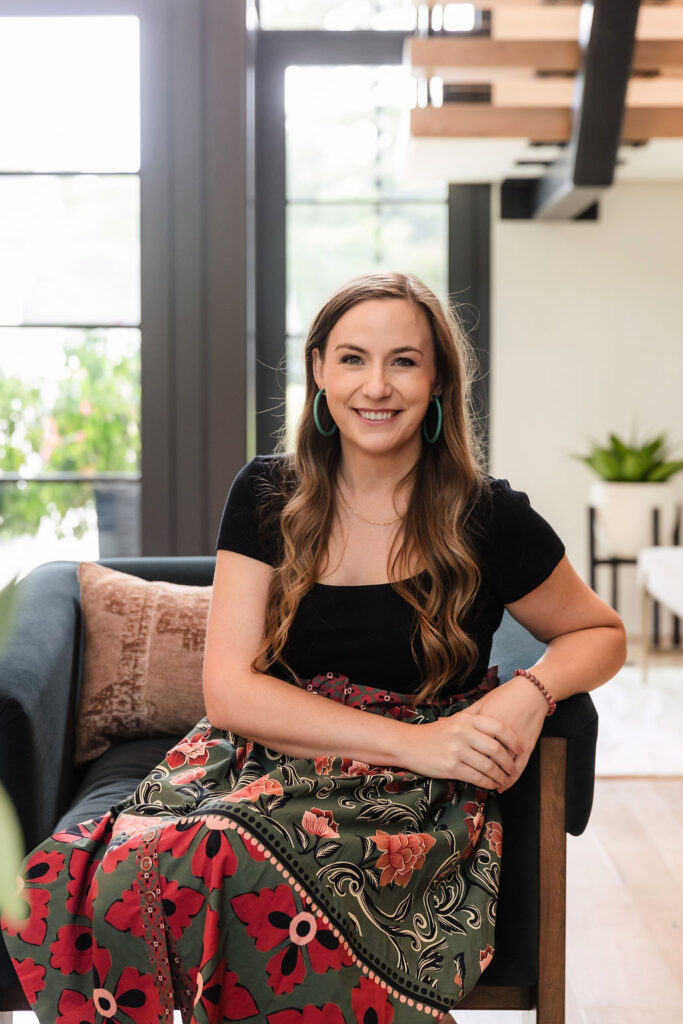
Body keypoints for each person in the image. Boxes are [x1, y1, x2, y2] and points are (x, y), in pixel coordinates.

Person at [1, 271, 626, 1024]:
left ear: (436, 382)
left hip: (407, 802)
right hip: (265, 756)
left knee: (230, 860)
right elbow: (228, 692)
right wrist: (415, 742)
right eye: (354, 358)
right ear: (319, 371)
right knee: (120, 874)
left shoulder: (488, 515)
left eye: (404, 360)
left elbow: (598, 632)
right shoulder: (265, 493)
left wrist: (528, 693)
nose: (377, 385)